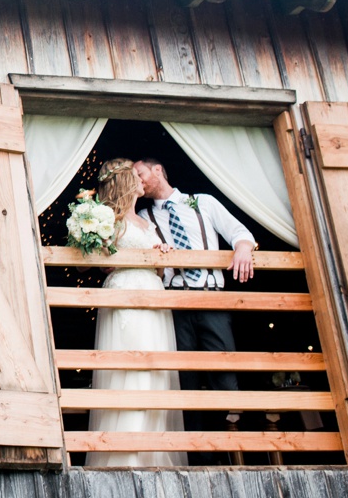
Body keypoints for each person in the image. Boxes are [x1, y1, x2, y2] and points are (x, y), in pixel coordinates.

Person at [133, 158, 254, 450]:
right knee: (185, 380)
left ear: (158, 169)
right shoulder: (143, 216)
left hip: (210, 298)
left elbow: (239, 232)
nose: (138, 180)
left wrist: (243, 249)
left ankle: (226, 442)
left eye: (140, 173)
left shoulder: (203, 202)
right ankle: (200, 453)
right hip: (174, 303)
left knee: (223, 377)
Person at [85, 158, 187, 468]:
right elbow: (100, 262)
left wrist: (162, 255)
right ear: (126, 182)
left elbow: (158, 266)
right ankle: (126, 453)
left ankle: (155, 451)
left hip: (155, 297)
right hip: (127, 293)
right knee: (132, 371)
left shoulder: (146, 222)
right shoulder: (109, 220)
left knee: (157, 371)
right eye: (136, 176)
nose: (143, 181)